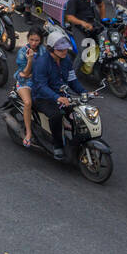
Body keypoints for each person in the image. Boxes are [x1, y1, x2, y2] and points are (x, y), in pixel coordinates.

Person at [31, 31, 86, 159]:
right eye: (61, 50)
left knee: (79, 114)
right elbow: (41, 86)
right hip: (42, 98)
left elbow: (72, 80)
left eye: (65, 49)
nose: (64, 52)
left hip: (62, 95)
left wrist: (84, 92)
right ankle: (58, 146)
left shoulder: (66, 60)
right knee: (56, 115)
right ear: (51, 48)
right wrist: (57, 98)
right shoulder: (42, 62)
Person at [14, 28, 44, 147]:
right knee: (27, 103)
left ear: (41, 40)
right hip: (24, 83)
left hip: (39, 81)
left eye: (36, 40)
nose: (34, 43)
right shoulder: (23, 52)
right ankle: (29, 133)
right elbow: (25, 74)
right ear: (28, 39)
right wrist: (30, 60)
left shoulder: (43, 51)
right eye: (31, 40)